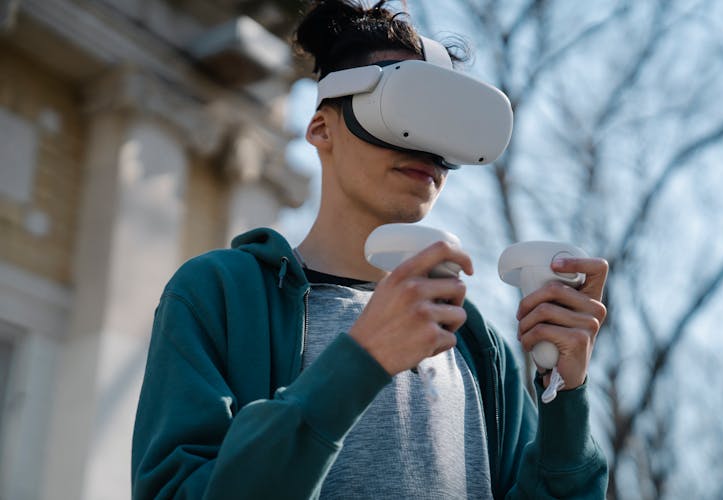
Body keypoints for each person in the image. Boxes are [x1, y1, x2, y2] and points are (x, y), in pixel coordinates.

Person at [131, 1, 609, 498]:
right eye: (404, 112)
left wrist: (565, 403)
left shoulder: (476, 343)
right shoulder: (221, 295)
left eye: (446, 126)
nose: (426, 148)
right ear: (321, 128)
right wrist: (359, 363)